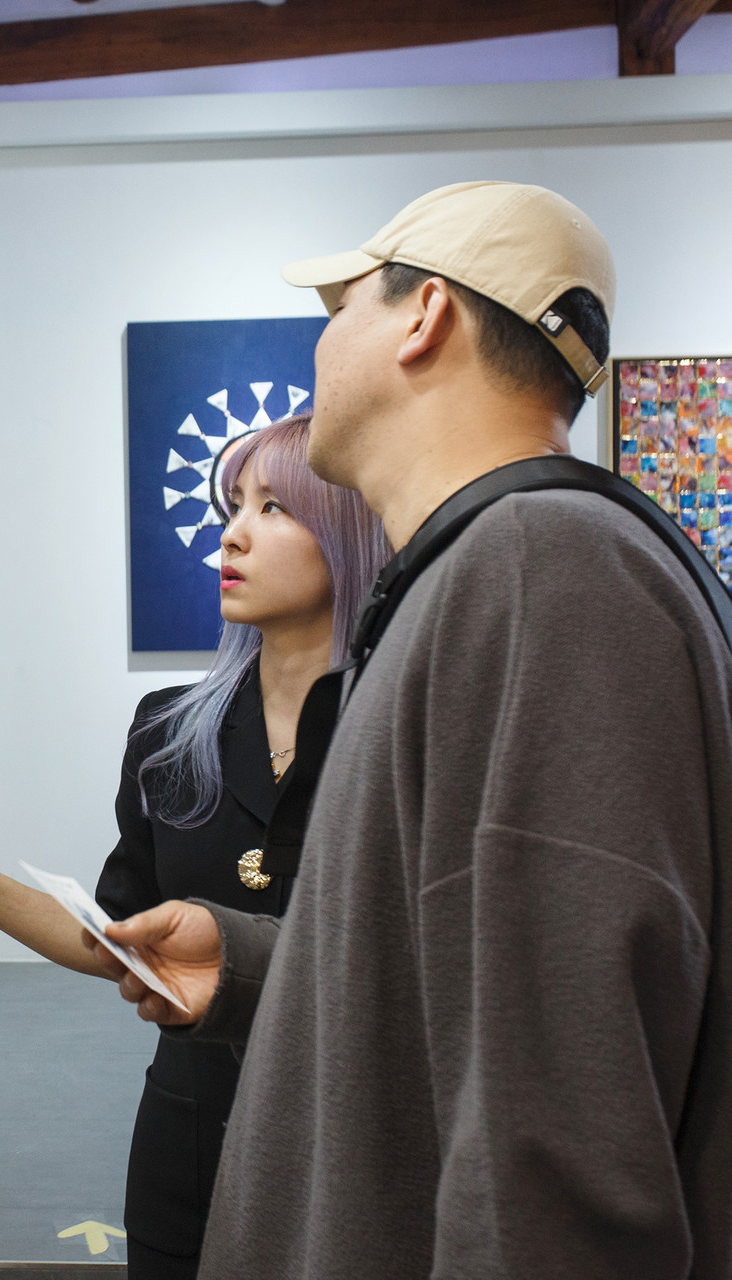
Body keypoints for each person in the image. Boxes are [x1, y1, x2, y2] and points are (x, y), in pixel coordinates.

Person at [105, 181, 732, 1278]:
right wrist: (251, 965)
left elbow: (562, 1142)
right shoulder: (490, 572)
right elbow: (468, 970)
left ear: (425, 316)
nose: (321, 343)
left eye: (341, 307)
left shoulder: (544, 570)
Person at [0, 415, 388, 1279]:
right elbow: (119, 936)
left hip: (350, 1151)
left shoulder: (397, 735)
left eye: (274, 508)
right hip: (191, 1143)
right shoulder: (170, 733)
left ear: (346, 534)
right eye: (234, 505)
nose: (233, 534)